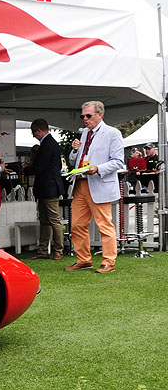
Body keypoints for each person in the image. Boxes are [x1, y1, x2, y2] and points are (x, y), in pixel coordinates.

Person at [66, 100, 123, 273]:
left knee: (104, 225)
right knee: (77, 225)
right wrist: (75, 151)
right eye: (83, 116)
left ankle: (108, 261)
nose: (85, 118)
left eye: (88, 115)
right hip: (81, 183)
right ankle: (84, 259)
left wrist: (98, 169)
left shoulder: (112, 133)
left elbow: (119, 161)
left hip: (98, 183)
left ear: (100, 114)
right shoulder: (84, 134)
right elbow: (74, 161)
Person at [27, 119, 66, 260]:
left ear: (39, 130)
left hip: (49, 187)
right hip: (47, 186)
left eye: (34, 133)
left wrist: (25, 170)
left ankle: (58, 250)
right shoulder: (50, 143)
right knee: (45, 219)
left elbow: (39, 167)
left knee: (53, 219)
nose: (34, 136)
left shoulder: (47, 144)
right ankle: (44, 250)